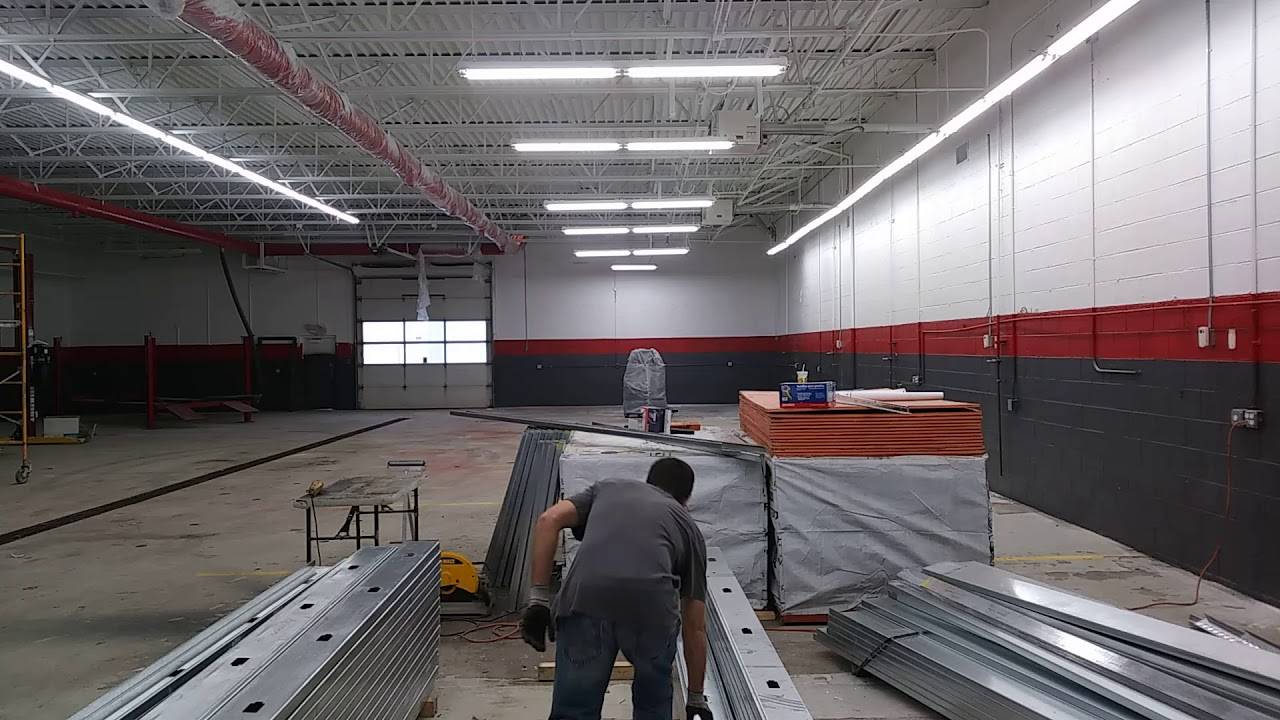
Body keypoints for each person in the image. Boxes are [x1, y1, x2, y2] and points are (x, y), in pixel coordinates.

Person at [520, 457, 711, 720]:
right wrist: (696, 698)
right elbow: (695, 624)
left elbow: (548, 519)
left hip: (586, 599)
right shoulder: (688, 527)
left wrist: (538, 600)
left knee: (574, 710)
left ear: (649, 481)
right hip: (651, 611)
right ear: (685, 499)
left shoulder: (608, 489)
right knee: (652, 706)